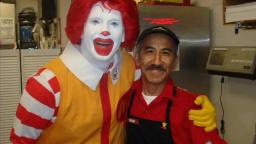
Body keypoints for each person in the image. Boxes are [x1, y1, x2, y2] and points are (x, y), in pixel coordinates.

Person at [10, 0, 217, 143]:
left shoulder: (128, 64)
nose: (106, 30)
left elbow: (156, 82)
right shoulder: (46, 86)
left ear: (125, 31)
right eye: (96, 21)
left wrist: (194, 103)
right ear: (80, 26)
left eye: (114, 23)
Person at [121, 26, 226, 144]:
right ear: (137, 58)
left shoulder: (191, 105)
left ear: (175, 62)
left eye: (165, 53)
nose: (157, 61)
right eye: (149, 51)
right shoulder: (124, 95)